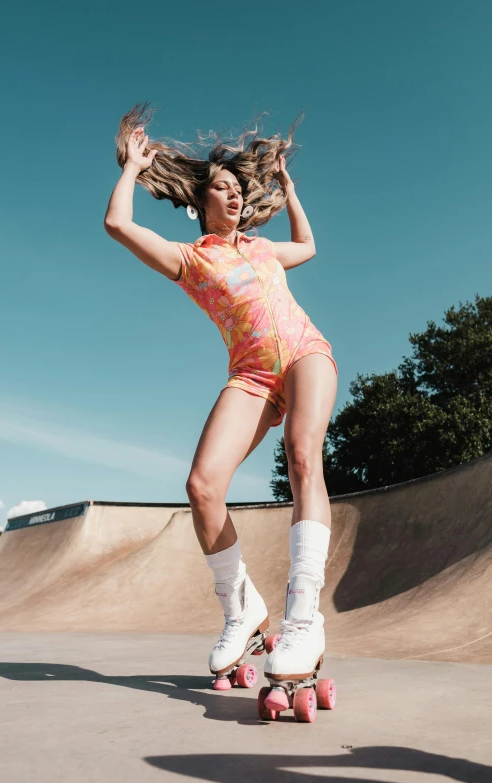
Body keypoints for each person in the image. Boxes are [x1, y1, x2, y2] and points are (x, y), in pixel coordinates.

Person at [104, 102, 338, 689]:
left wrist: (287, 188)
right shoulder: (190, 259)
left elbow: (307, 245)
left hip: (307, 353)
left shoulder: (263, 250)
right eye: (223, 190)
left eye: (239, 189)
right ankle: (243, 612)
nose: (234, 197)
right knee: (202, 487)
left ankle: (304, 618)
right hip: (252, 374)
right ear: (201, 202)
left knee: (302, 454)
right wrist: (132, 168)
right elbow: (119, 226)